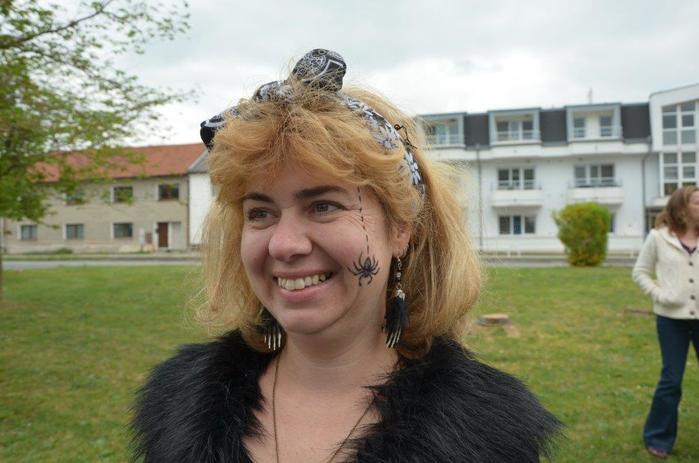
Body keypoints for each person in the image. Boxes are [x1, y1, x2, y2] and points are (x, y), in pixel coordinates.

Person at [132, 49, 560, 462]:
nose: (284, 244)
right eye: (260, 213)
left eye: (324, 206)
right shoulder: (178, 408)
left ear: (400, 229)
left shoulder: (486, 436)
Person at [632, 185, 699, 459]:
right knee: (671, 381)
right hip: (671, 321)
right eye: (697, 202)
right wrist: (661, 295)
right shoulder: (658, 238)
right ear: (681, 207)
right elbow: (640, 272)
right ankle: (658, 436)